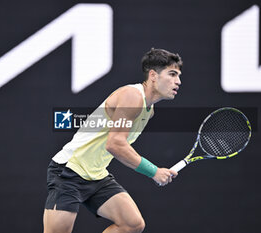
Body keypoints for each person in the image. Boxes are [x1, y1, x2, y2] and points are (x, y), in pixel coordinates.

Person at [43, 48, 183, 233]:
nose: (178, 81)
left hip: (96, 175)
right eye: (172, 74)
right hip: (69, 171)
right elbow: (115, 144)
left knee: (132, 224)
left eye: (179, 76)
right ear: (153, 75)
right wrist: (154, 171)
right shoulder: (132, 96)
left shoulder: (149, 111)